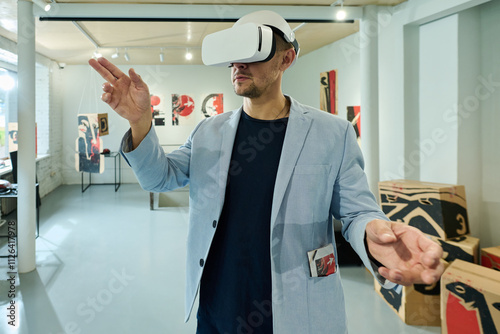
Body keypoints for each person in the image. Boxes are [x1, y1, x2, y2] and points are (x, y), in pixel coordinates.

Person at [89, 10, 444, 334]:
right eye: (234, 54)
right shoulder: (208, 132)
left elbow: (356, 212)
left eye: (254, 53)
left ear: (286, 59)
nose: (239, 65)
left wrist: (375, 235)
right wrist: (140, 122)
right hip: (218, 309)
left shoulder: (333, 134)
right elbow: (159, 178)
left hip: (297, 311)